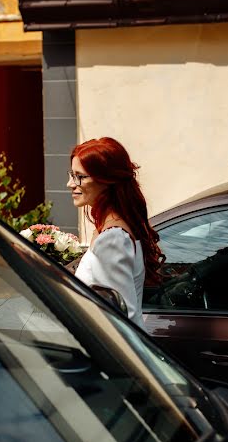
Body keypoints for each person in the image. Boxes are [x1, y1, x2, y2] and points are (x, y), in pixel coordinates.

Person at [66, 137, 163, 326]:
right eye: (72, 174)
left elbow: (123, 316)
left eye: (80, 176)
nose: (70, 183)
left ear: (107, 180)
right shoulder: (112, 227)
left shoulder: (112, 239)